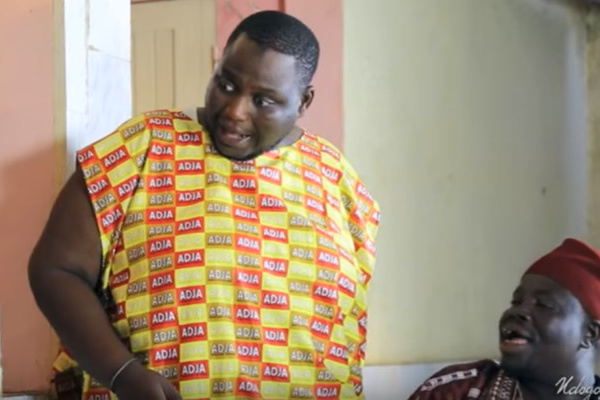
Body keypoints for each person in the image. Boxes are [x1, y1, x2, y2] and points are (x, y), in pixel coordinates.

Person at [28, 10, 380, 400]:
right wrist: (122, 374)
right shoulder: (142, 147)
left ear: (303, 102)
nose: (235, 111)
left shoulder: (336, 178)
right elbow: (55, 269)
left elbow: (351, 316)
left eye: (263, 100)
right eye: (226, 84)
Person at [408, 238, 600, 400]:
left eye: (543, 304)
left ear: (590, 333)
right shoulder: (452, 392)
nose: (517, 311)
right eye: (516, 301)